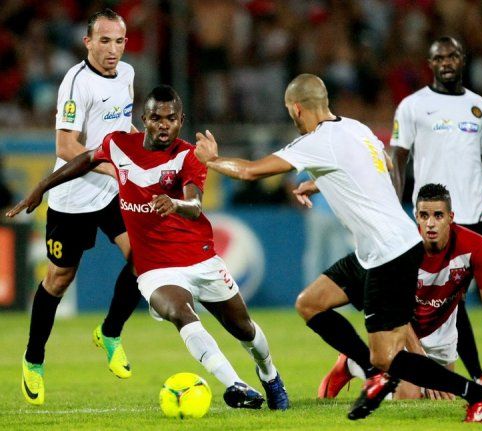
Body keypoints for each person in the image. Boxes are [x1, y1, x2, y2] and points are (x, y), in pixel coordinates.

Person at [193, 73, 482, 422]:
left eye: (290, 113)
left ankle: (477, 395)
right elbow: (382, 164)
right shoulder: (356, 128)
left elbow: (251, 171)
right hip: (376, 251)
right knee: (310, 304)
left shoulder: (316, 140)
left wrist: (212, 160)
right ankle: (374, 375)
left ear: (297, 109)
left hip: (391, 254)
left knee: (388, 356)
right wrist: (322, 179)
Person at [7, 85, 289, 411]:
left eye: (171, 118)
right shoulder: (119, 145)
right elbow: (84, 160)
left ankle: (269, 375)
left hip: (199, 258)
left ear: (181, 121)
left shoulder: (188, 155)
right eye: (156, 117)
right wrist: (41, 186)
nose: (163, 124)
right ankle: (235, 385)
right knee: (181, 314)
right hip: (156, 268)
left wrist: (177, 204)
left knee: (244, 329)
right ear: (144, 120)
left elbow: (196, 203)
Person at [16, 9, 141, 406]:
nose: (112, 50)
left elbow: (124, 127)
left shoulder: (128, 75)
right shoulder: (75, 83)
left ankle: (110, 332)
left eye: (119, 41)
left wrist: (148, 155)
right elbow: (66, 147)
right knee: (58, 280)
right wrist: (116, 169)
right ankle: (34, 360)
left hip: (109, 193)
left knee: (142, 259)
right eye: (104, 41)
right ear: (87, 42)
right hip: (72, 195)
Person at [316, 183, 482, 401]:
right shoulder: (401, 248)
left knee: (442, 400)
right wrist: (423, 366)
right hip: (401, 329)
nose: (431, 223)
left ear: (450, 217)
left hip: (442, 333)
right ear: (416, 216)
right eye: (424, 216)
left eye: (438, 215)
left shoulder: (474, 245)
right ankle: (353, 364)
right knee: (409, 395)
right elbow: (398, 313)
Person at [390, 36, 482, 386]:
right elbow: (398, 158)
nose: (447, 62)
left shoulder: (479, 106)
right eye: (439, 58)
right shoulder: (412, 106)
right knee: (452, 302)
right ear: (430, 62)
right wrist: (395, 210)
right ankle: (474, 377)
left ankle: (464, 375)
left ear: (462, 58)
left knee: (464, 301)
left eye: (453, 55)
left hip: (473, 217)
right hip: (432, 219)